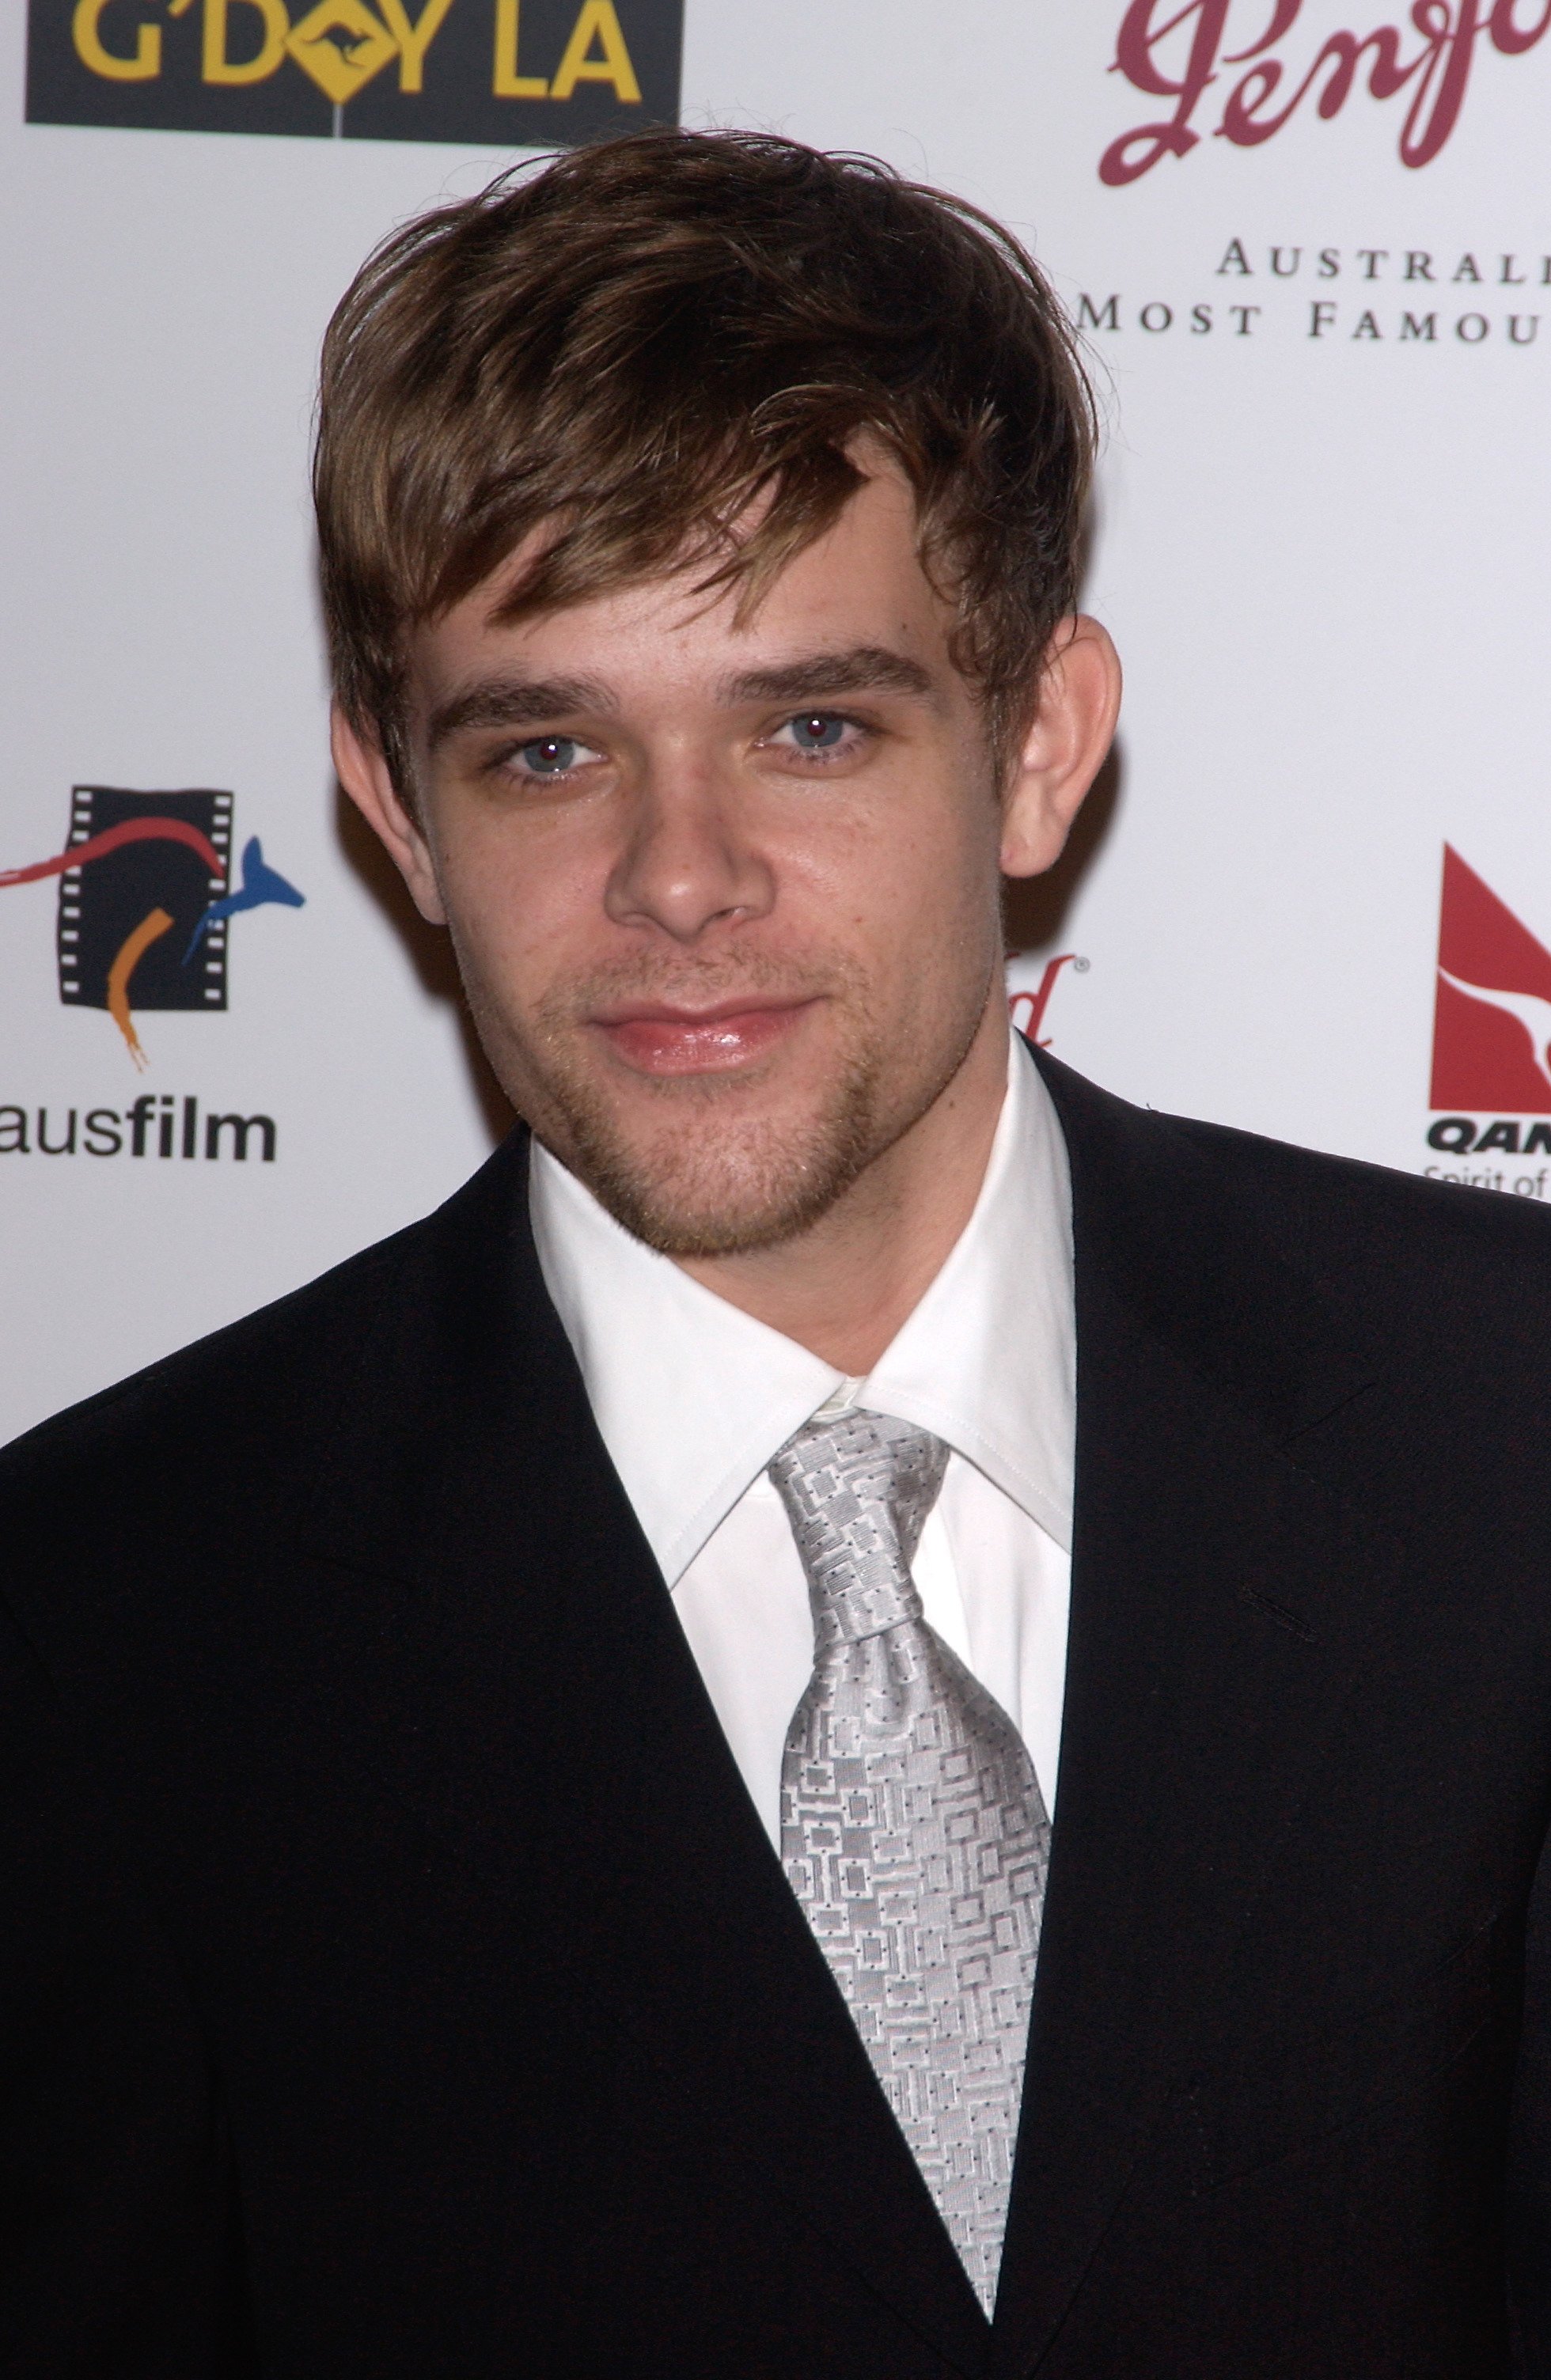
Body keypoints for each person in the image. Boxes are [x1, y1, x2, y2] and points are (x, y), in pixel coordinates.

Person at [3, 127, 1550, 2380]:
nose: (679, 875)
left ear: (1036, 749)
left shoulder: (1504, 1440)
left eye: (811, 725)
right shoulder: (99, 1632)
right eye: (544, 752)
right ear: (389, 806)